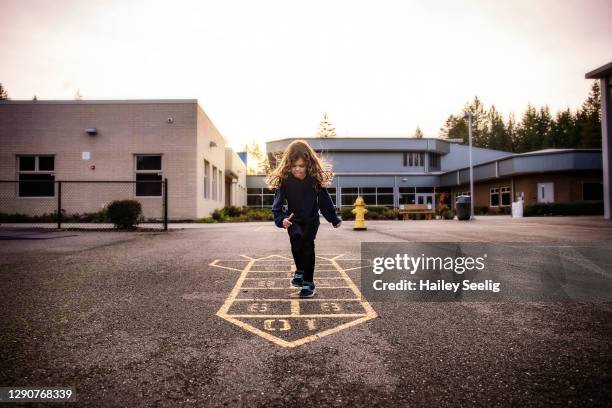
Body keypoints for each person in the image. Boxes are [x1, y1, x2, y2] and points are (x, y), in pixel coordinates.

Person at [266, 140, 342, 297]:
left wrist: (333, 219)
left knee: (307, 245)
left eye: (301, 166)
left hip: (311, 220)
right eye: (294, 166)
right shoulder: (284, 181)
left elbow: (324, 201)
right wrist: (281, 220)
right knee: (295, 239)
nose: (298, 170)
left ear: (309, 164)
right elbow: (277, 206)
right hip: (293, 219)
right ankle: (300, 270)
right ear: (289, 165)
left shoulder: (314, 180)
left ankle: (308, 282)